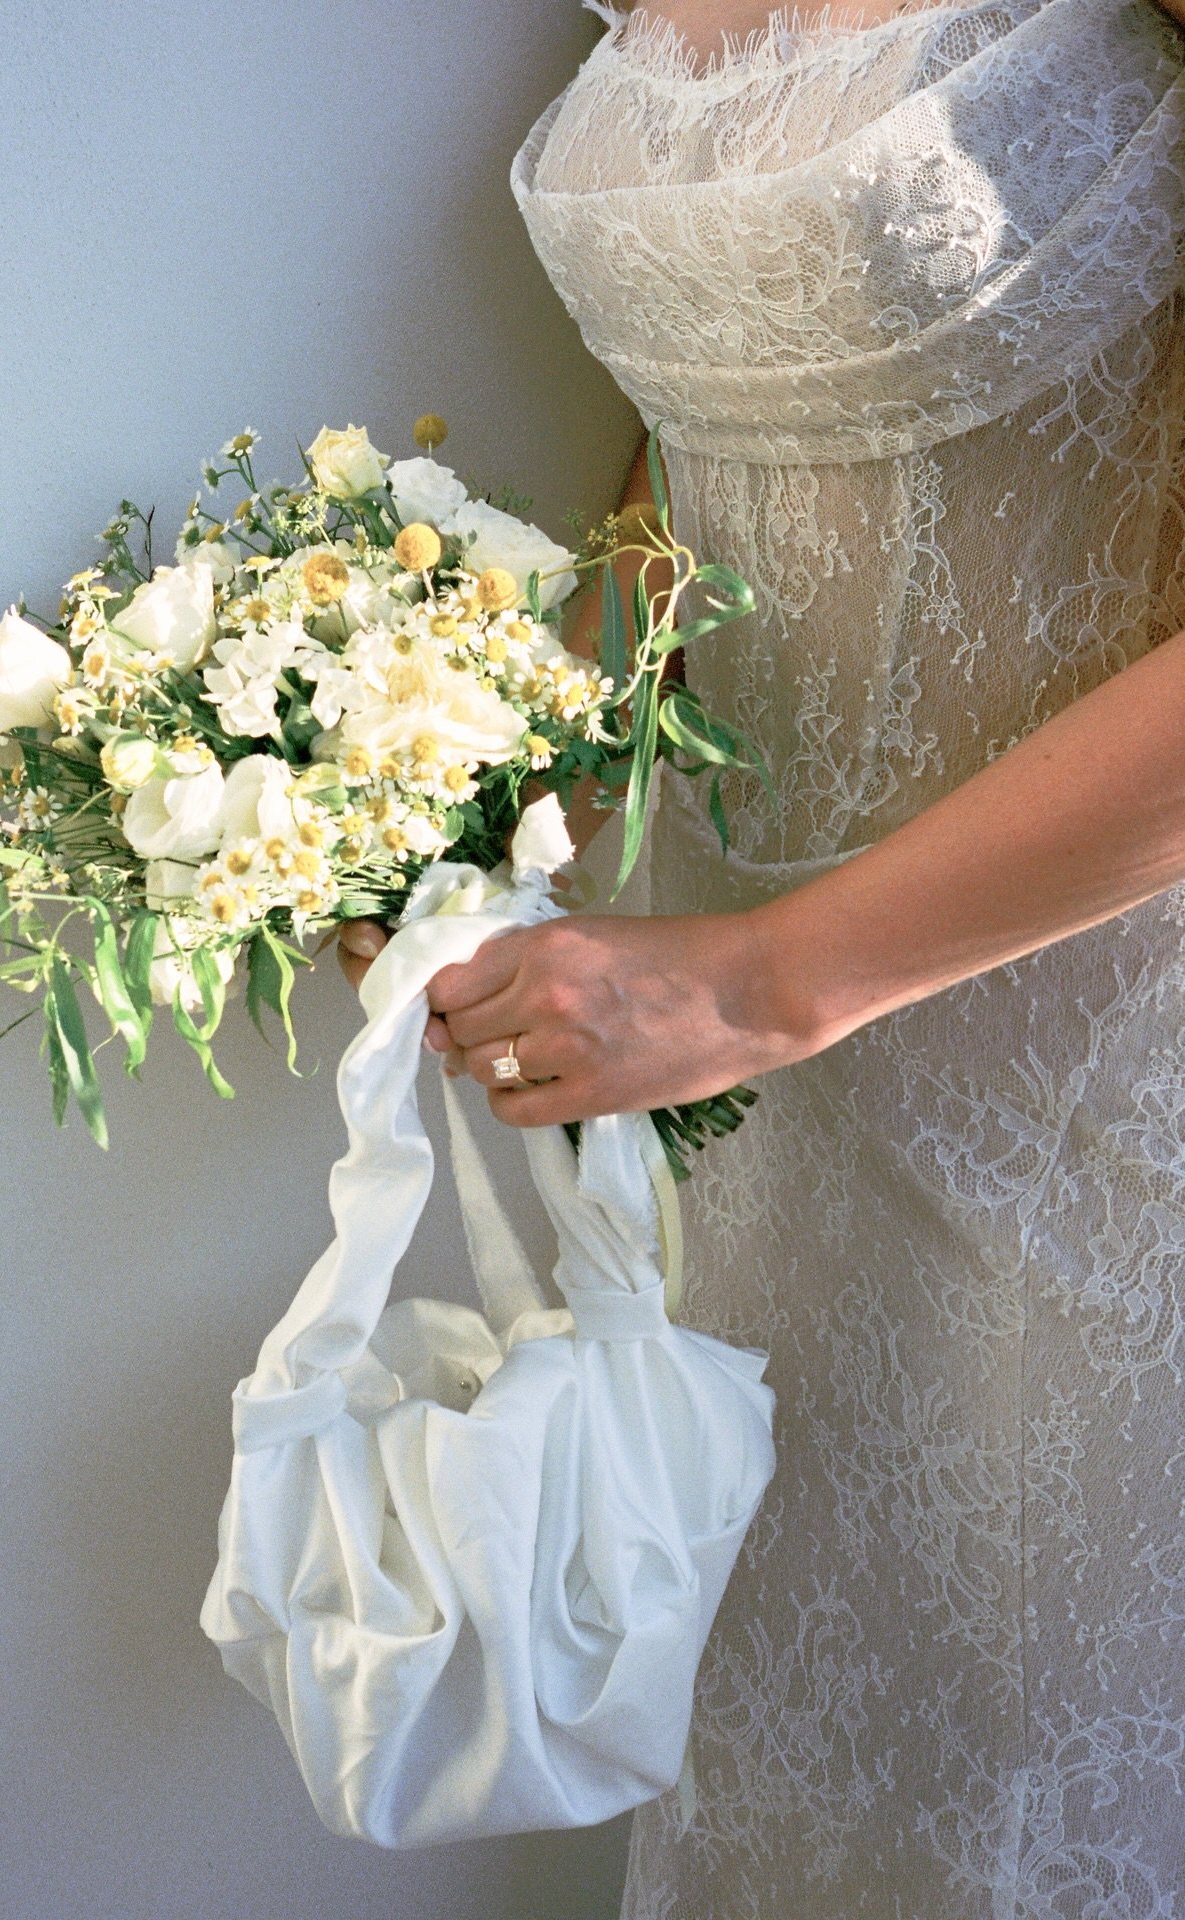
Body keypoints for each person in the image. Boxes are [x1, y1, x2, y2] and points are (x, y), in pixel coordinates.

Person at [342, 1, 1185, 1910]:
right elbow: (703, 487)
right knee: (769, 1755)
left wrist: (759, 978)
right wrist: (449, 802)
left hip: (1085, 1068)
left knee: (1038, 1780)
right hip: (739, 1096)